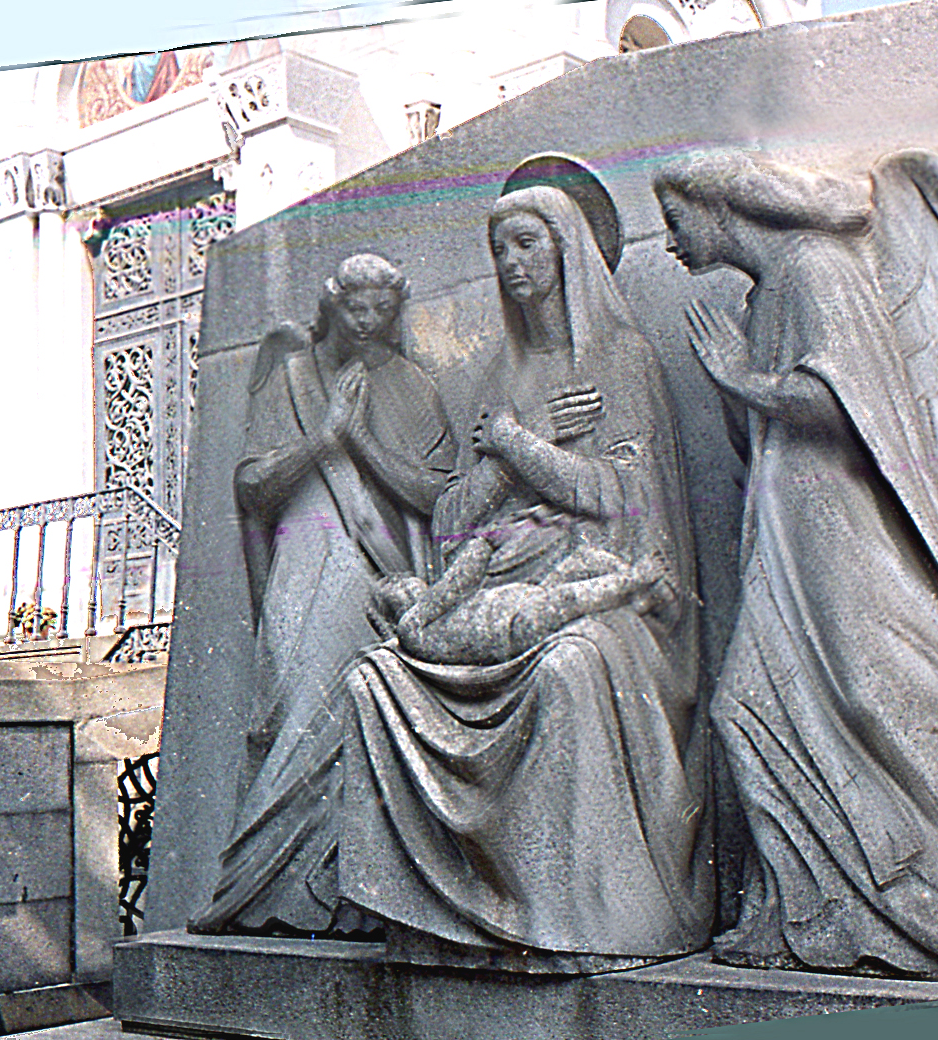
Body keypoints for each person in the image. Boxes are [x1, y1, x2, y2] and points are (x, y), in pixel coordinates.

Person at [652, 150, 938, 979]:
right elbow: (756, 441)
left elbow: (838, 403)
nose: (669, 239)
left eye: (674, 218)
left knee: (881, 692)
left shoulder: (819, 267)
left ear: (715, 204)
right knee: (749, 704)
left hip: (840, 521)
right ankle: (808, 912)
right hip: (786, 512)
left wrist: (741, 377)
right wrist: (739, 388)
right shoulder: (767, 292)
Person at [337, 183, 713, 973]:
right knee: (375, 676)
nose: (510, 262)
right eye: (499, 247)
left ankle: (579, 920)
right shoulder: (497, 376)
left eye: (527, 243)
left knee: (569, 669)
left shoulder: (622, 359)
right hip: (497, 585)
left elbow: (621, 496)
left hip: (611, 591)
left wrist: (518, 447)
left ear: (569, 246)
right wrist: (524, 442)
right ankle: (444, 918)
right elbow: (455, 518)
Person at [190, 253, 455, 936]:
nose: (368, 322)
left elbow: (439, 497)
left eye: (382, 310)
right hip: (303, 567)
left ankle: (351, 899)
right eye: (355, 308)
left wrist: (361, 441)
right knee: (295, 710)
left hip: (380, 575)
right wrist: (327, 437)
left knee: (364, 727)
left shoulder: (417, 389)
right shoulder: (292, 378)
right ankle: (259, 889)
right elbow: (253, 486)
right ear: (331, 306)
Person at [370, 513, 675, 666]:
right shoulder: (412, 625)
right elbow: (455, 584)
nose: (402, 582)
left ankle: (638, 598)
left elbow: (453, 589)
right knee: (566, 599)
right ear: (395, 614)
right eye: (393, 588)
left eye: (399, 578)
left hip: (528, 597)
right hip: (513, 626)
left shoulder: (432, 613)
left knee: (585, 559)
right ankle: (634, 580)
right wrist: (484, 543)